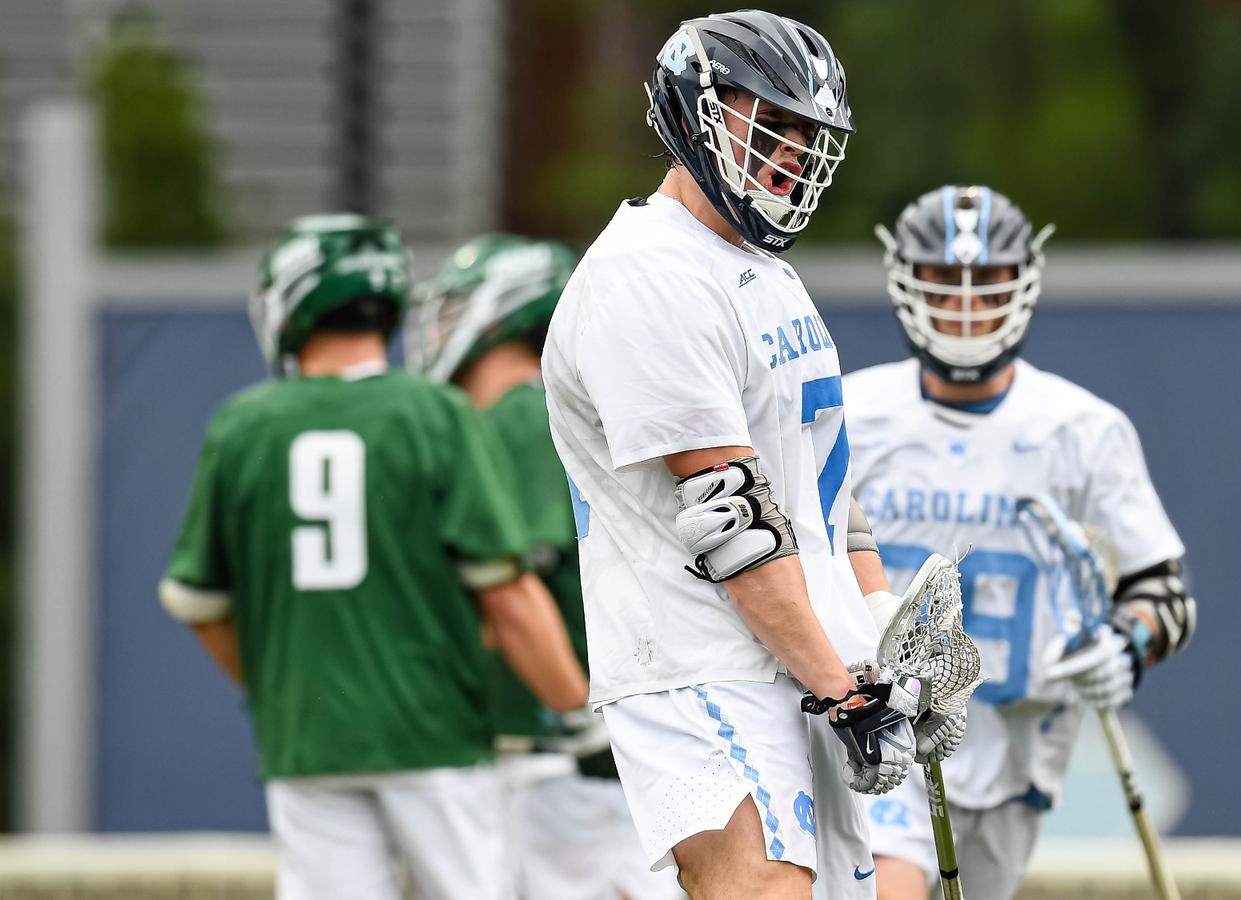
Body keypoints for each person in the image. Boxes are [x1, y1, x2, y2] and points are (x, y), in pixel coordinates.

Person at [542, 11, 963, 899]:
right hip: (699, 662)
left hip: (799, 660)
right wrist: (845, 689)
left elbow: (822, 494)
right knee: (763, 888)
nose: (792, 154)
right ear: (694, 113)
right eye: (771, 123)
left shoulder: (764, 271)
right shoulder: (648, 275)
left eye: (809, 135)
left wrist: (880, 639)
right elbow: (733, 521)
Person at [159, 214, 588, 900]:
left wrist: (277, 689)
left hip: (306, 739)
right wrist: (576, 707)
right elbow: (505, 591)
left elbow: (198, 603)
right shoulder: (433, 414)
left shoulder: (242, 425)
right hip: (435, 731)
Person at [845, 186, 1197, 900]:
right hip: (885, 732)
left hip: (1014, 754)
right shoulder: (851, 413)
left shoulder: (1081, 431)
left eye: (987, 284)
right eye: (943, 283)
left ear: (1022, 285)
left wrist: (1126, 645)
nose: (965, 308)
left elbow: (1164, 594)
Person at [407, 234, 683, 900]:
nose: (438, 330)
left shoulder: (520, 414)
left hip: (563, 750)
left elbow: (509, 584)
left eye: (456, 310)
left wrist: (567, 705)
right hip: (576, 744)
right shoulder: (528, 412)